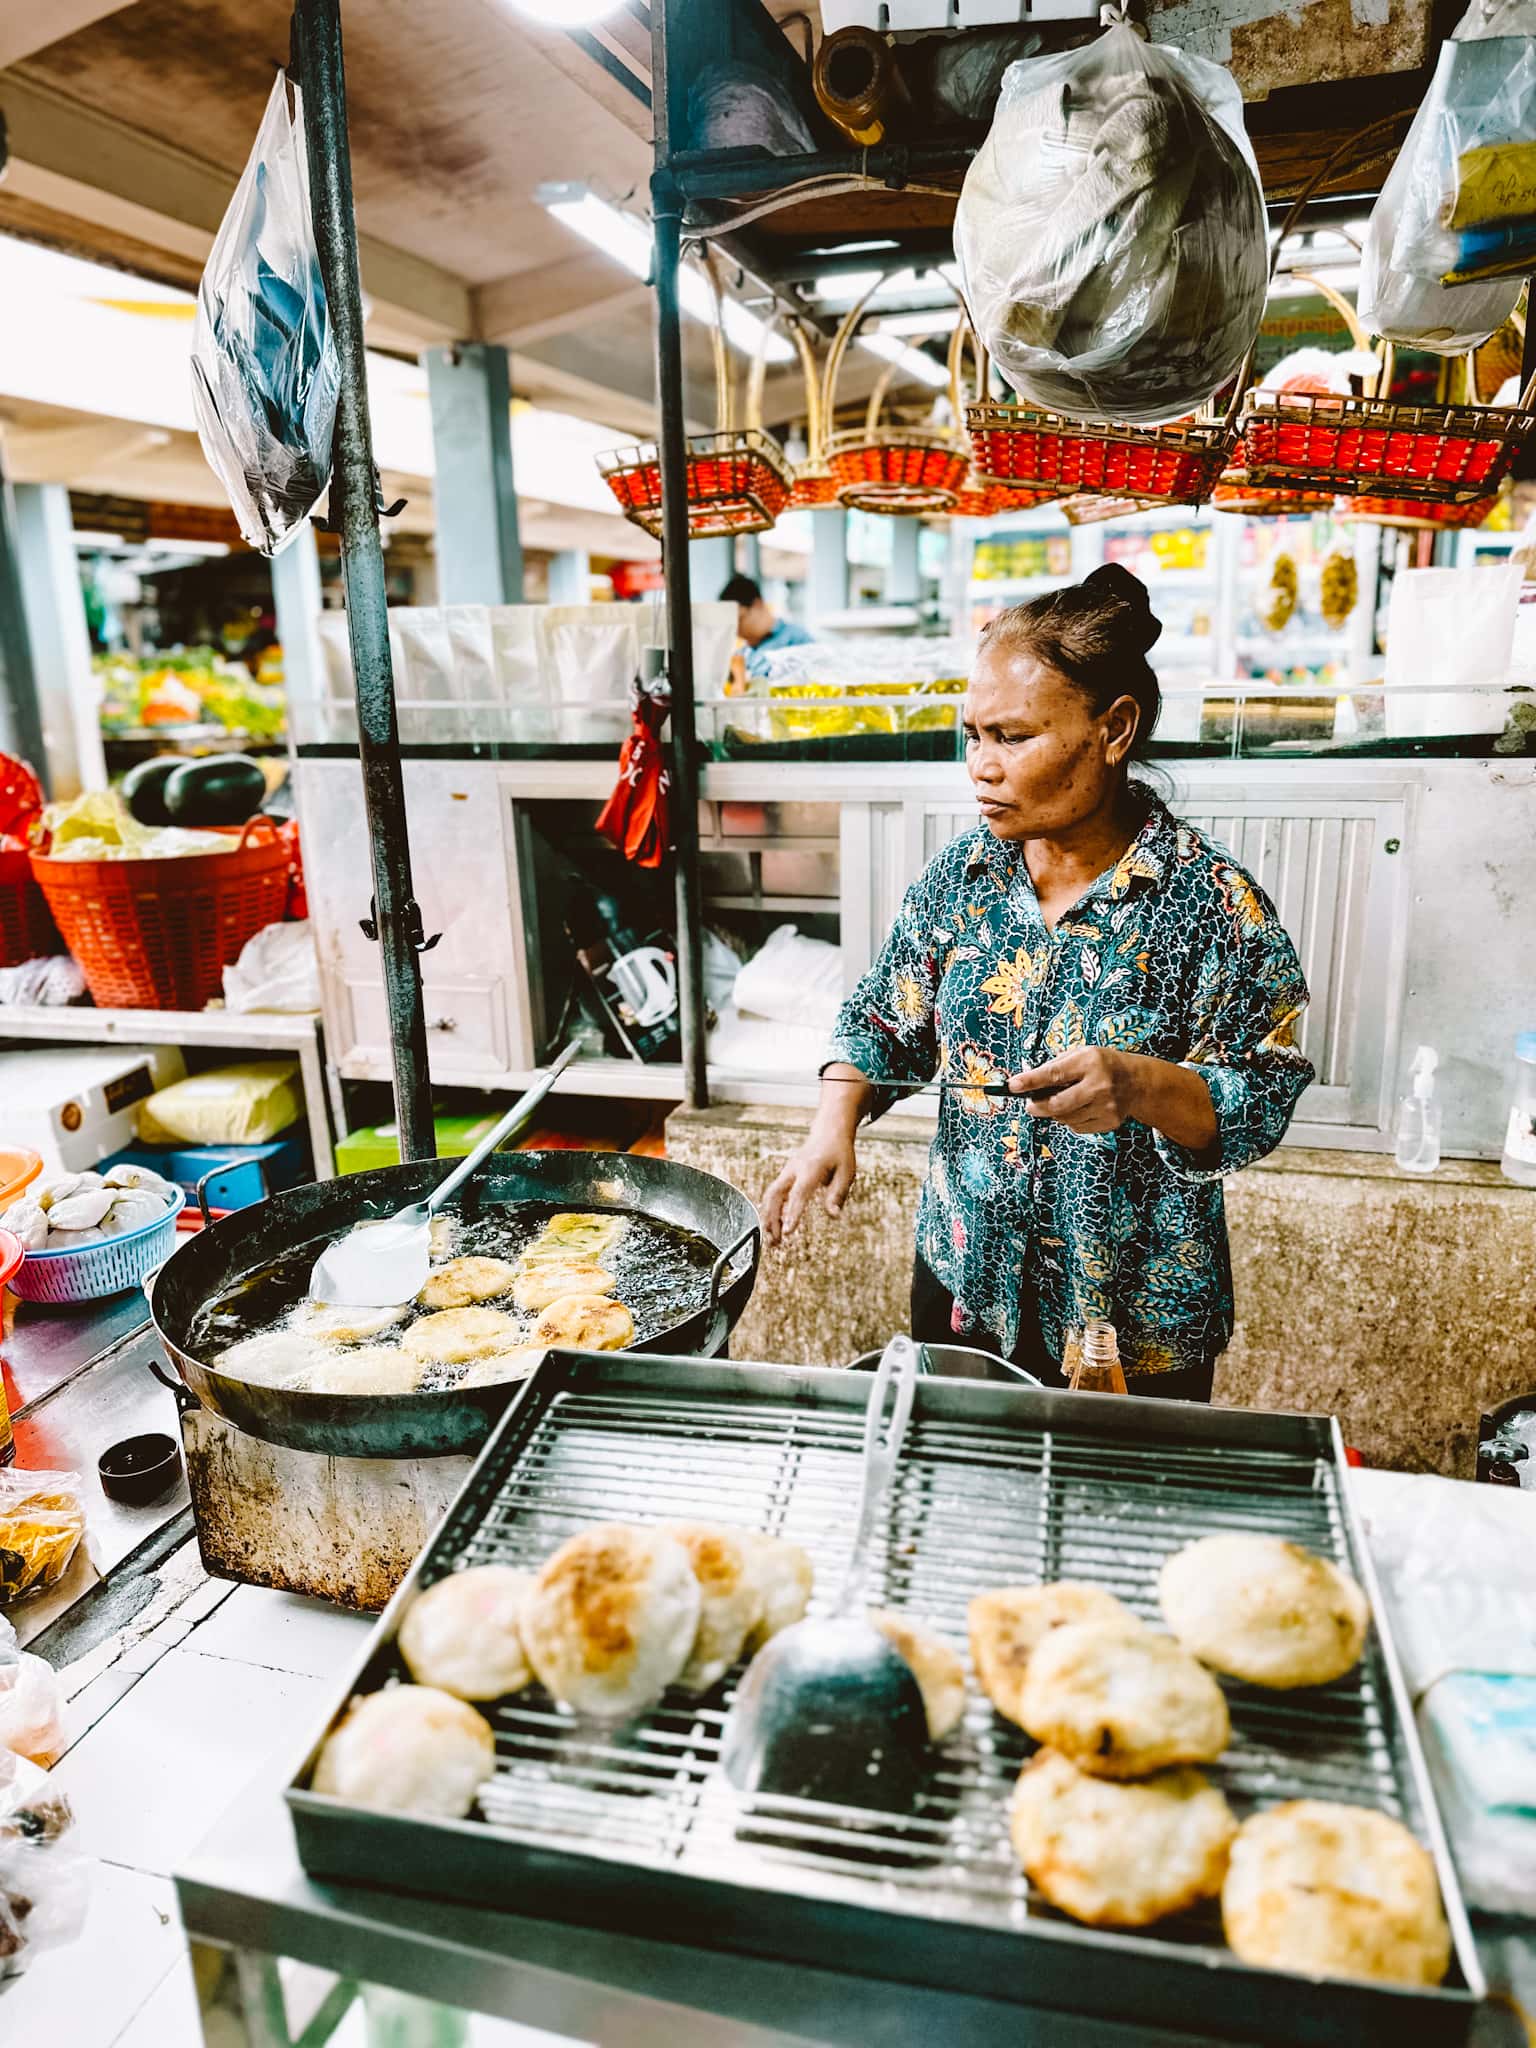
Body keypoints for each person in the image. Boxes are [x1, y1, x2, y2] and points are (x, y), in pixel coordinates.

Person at [762, 563, 1314, 1402]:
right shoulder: (965, 878)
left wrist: (1139, 1082)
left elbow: (1264, 1093)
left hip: (1130, 1322)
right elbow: (884, 1014)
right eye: (972, 734)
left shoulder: (1212, 904)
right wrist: (833, 1121)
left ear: (1114, 729)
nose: (981, 765)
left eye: (1013, 736)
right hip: (967, 1284)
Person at [720, 573, 813, 679]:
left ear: (757, 605)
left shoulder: (798, 640)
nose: (736, 629)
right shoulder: (742, 654)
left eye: (739, 619)